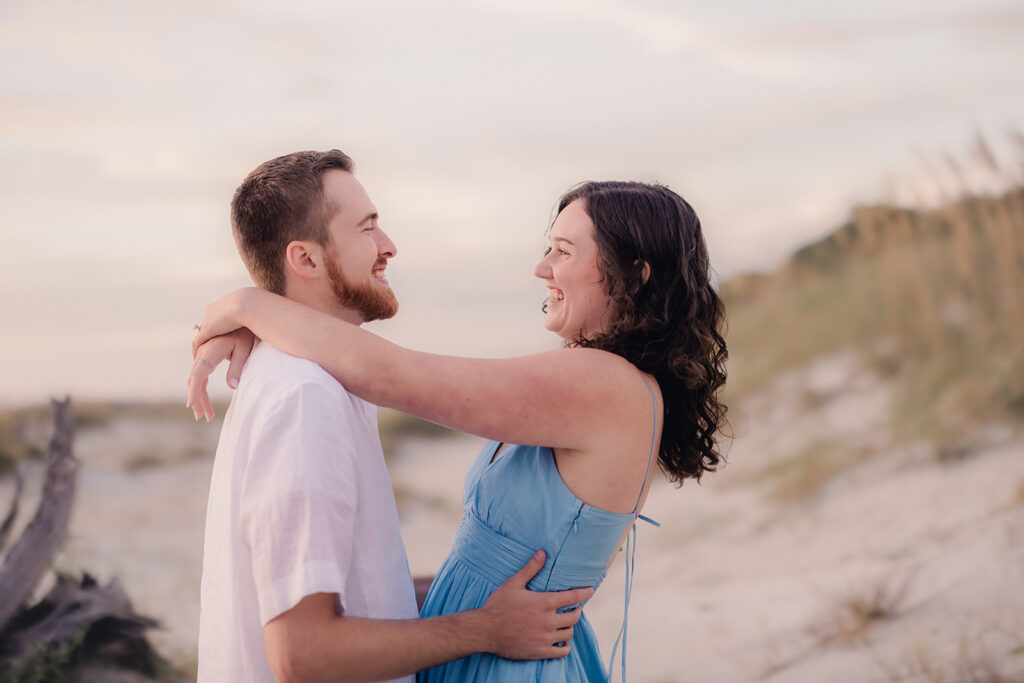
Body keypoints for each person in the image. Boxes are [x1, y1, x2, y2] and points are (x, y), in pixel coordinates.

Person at [189, 177, 728, 681]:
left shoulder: (603, 384)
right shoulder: (598, 385)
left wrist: (248, 304)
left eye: (564, 252)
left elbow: (390, 374)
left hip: (509, 659)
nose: (542, 268)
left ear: (635, 275)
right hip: (486, 646)